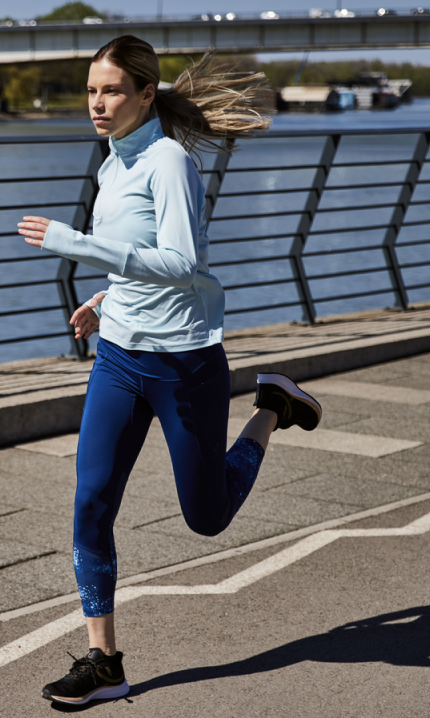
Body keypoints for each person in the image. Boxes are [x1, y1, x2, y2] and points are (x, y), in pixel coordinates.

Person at [18, 35, 322, 706]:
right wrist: (103, 300)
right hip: (120, 359)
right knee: (91, 503)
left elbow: (181, 263)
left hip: (185, 364)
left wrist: (76, 246)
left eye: (112, 91)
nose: (97, 103)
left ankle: (273, 407)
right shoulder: (111, 163)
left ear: (146, 95)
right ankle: (104, 664)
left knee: (206, 518)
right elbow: (139, 258)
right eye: (92, 90)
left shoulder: (169, 163)